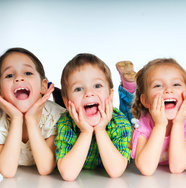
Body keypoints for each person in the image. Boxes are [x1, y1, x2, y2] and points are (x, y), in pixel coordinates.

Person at [0, 47, 65, 177]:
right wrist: (16, 119)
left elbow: (45, 167)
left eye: (28, 73)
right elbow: (7, 171)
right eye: (9, 75)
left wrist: (30, 120)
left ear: (43, 86)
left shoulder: (55, 117)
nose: (19, 78)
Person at [55, 53, 132, 181]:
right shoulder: (66, 123)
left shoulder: (119, 122)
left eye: (97, 86)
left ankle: (129, 88)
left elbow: (116, 171)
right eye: (78, 89)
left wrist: (100, 130)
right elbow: (68, 174)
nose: (89, 93)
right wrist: (86, 132)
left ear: (110, 95)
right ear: (67, 102)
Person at [130, 58, 186, 176]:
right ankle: (127, 85)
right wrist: (160, 125)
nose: (168, 90)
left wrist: (178, 123)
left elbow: (177, 167)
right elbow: (146, 169)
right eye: (158, 85)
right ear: (145, 100)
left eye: (176, 84)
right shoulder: (145, 122)